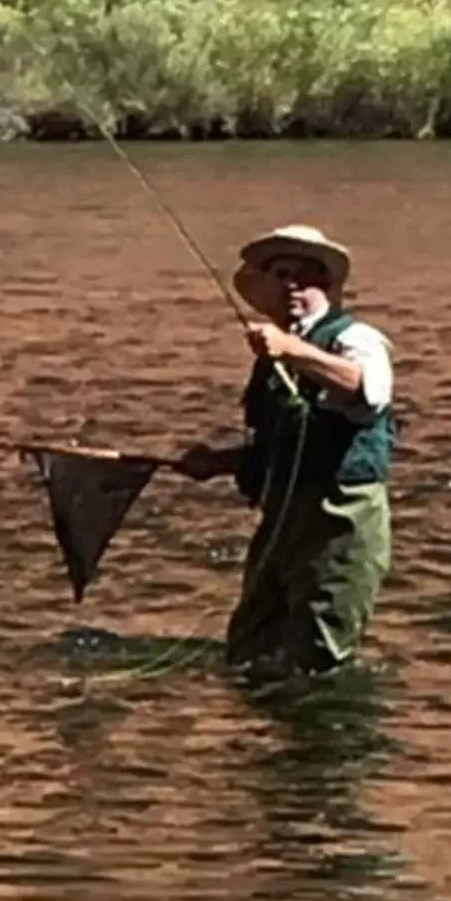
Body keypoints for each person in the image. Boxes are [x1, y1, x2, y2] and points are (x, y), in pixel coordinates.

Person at [177, 222, 394, 676]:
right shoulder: (272, 357)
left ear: (328, 285)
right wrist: (214, 462)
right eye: (279, 274)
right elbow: (284, 445)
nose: (291, 284)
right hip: (282, 517)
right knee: (249, 650)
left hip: (341, 517)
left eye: (304, 275)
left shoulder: (355, 339)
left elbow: (367, 391)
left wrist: (292, 349)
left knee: (319, 653)